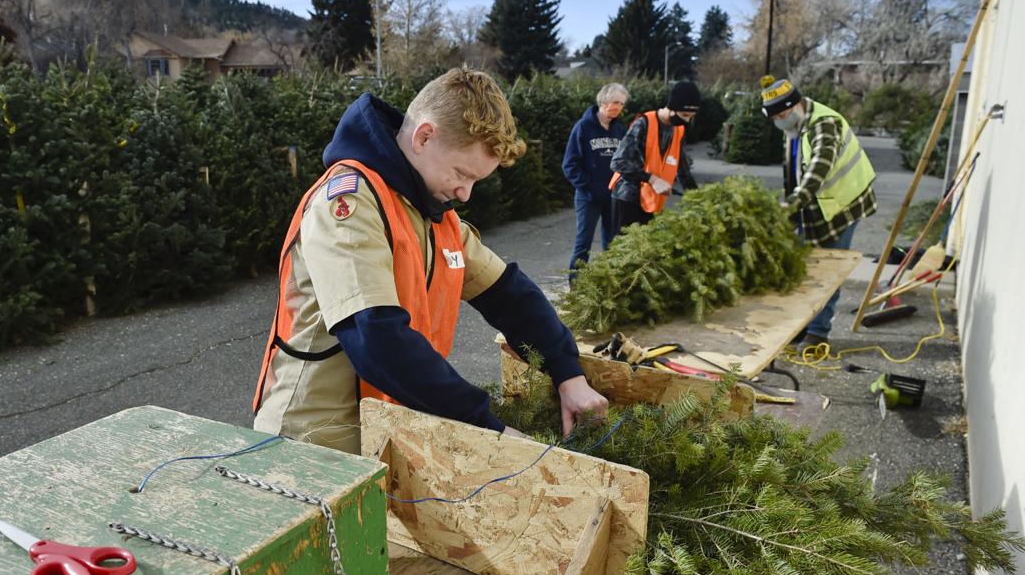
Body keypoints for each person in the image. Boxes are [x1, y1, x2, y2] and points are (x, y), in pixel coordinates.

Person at [253, 67, 608, 454]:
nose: (465, 192)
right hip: (313, 442)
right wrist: (485, 425)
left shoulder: (435, 215)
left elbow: (509, 295)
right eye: (461, 173)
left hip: (383, 431)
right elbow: (377, 339)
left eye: (475, 181)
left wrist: (567, 373)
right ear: (424, 136)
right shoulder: (349, 203)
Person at [760, 75, 877, 347]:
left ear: (795, 105)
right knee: (803, 266)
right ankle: (802, 326)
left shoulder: (824, 124)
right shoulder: (794, 126)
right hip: (815, 205)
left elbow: (816, 173)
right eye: (774, 117)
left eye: (782, 114)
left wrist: (791, 204)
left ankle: (818, 333)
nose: (779, 120)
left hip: (842, 205)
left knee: (826, 269)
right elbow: (794, 171)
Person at [607, 81, 700, 235]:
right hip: (627, 198)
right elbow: (618, 163)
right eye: (684, 115)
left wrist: (699, 198)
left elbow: (683, 170)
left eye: (691, 117)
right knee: (624, 252)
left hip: (652, 201)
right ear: (671, 108)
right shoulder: (644, 123)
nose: (687, 121)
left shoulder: (678, 130)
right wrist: (653, 180)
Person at [562, 83, 630, 282]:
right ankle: (575, 285)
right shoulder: (583, 127)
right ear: (603, 101)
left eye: (621, 104)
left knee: (612, 243)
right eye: (615, 102)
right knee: (583, 244)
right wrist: (588, 187)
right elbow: (569, 164)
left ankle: (608, 282)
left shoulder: (619, 130)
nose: (618, 107)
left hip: (614, 197)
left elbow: (626, 162)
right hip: (588, 198)